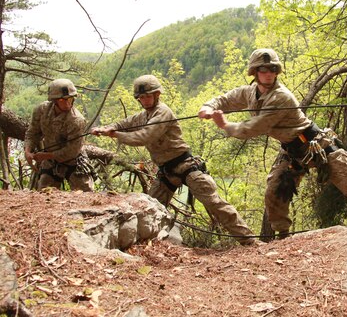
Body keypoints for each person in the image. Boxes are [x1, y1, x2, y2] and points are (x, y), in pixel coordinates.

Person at [198, 48, 347, 239]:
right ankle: (283, 236)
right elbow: (226, 99)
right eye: (263, 69)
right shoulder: (249, 93)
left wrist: (225, 125)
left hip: (318, 146)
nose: (268, 73)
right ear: (255, 72)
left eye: (272, 69)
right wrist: (209, 106)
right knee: (275, 191)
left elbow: (254, 127)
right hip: (292, 151)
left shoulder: (281, 97)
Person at [91, 75, 259, 246]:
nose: (145, 100)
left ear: (157, 95)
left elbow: (144, 137)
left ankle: (250, 242)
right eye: (141, 97)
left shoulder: (162, 112)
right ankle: (145, 245)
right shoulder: (143, 116)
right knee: (147, 209)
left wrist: (115, 134)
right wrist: (108, 128)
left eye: (148, 96)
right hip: (166, 171)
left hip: (186, 166)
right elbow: (125, 123)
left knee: (215, 203)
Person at [25, 78, 94, 191]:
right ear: (55, 100)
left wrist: (45, 156)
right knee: (44, 192)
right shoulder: (41, 110)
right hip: (51, 162)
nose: (67, 103)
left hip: (74, 161)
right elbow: (32, 132)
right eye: (62, 100)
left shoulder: (77, 120)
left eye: (70, 99)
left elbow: (71, 151)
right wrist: (28, 151)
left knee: (86, 193)